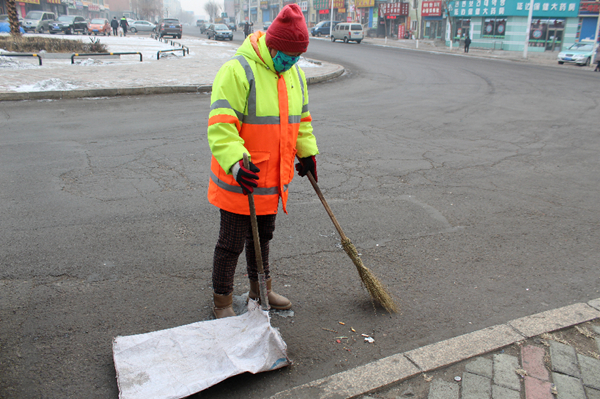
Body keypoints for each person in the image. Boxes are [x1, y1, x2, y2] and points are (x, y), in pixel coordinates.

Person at [207, 4, 318, 319]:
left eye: (298, 57)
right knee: (231, 244)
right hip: (240, 178)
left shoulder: (294, 73)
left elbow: (302, 120)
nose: (293, 62)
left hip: (271, 179)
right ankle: (223, 303)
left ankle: (261, 288)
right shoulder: (238, 70)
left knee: (262, 238)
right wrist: (236, 163)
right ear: (273, 46)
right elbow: (221, 126)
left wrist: (307, 153)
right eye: (289, 55)